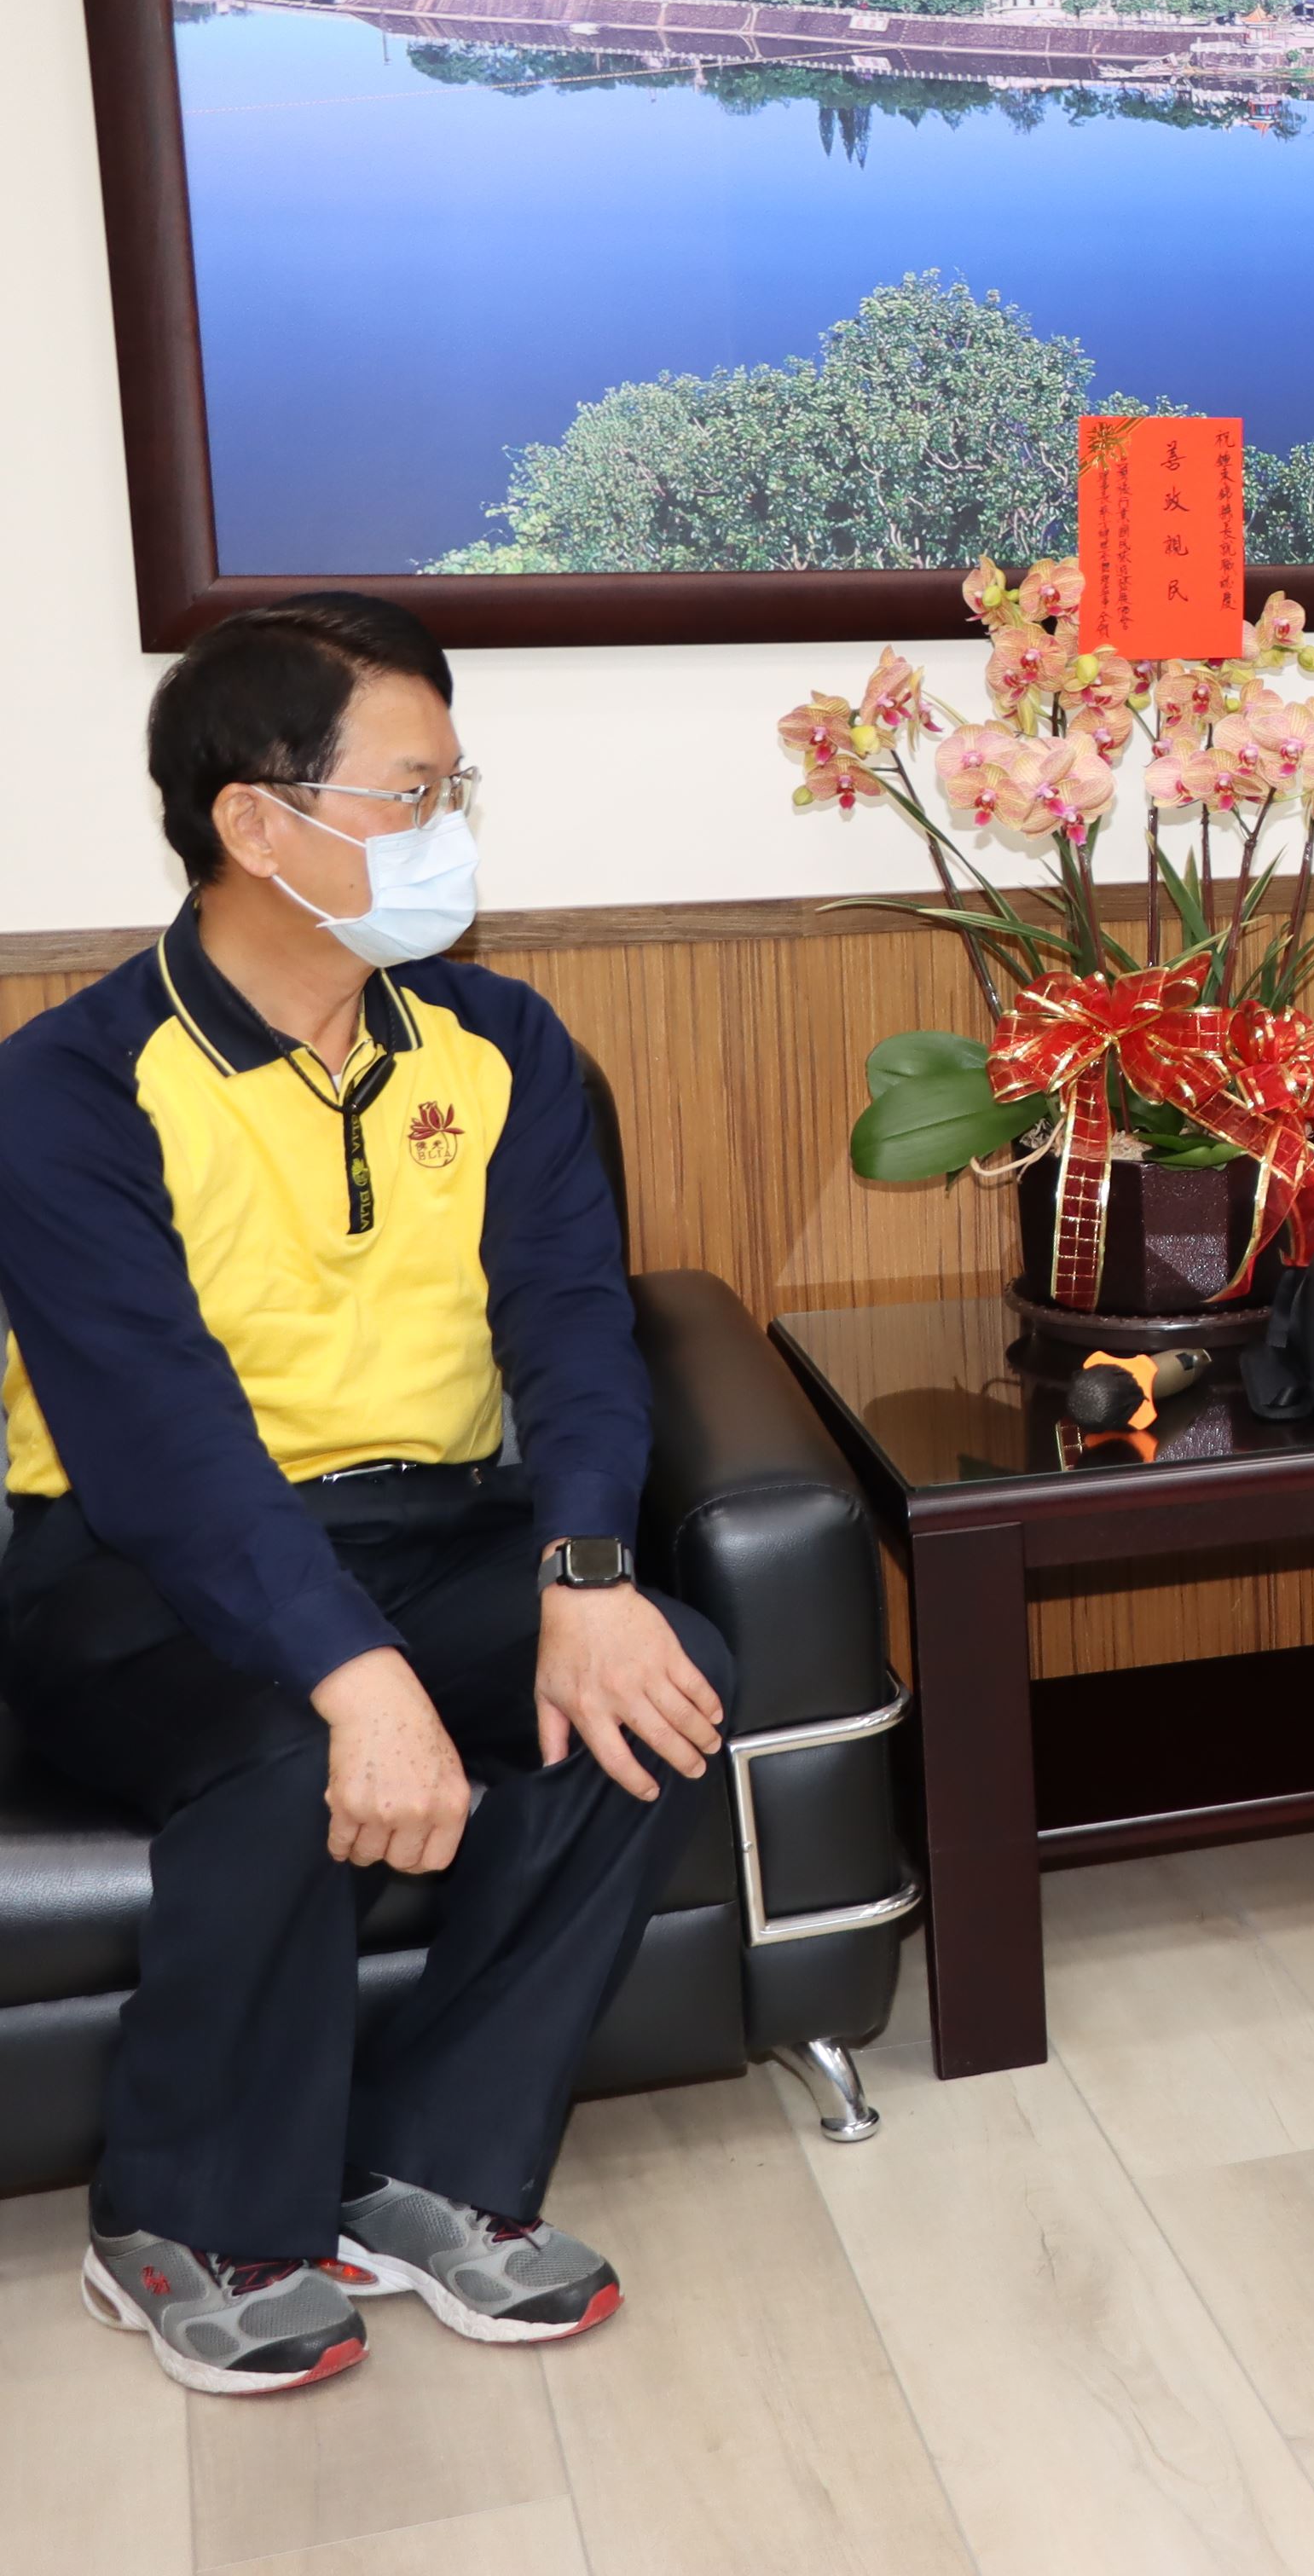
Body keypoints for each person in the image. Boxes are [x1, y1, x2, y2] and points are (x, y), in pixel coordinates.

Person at [0, 596, 726, 2395]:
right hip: (132, 1568)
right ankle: (182, 2221)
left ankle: (426, 2163)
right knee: (278, 1748)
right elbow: (159, 1441)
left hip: (438, 1522)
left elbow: (573, 1327)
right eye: (413, 791)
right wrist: (354, 1670)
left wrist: (584, 1570)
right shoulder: (71, 1089)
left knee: (657, 1679)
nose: (448, 827)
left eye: (454, 787)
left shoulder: (499, 1044)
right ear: (256, 821)